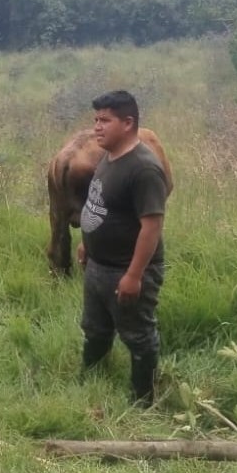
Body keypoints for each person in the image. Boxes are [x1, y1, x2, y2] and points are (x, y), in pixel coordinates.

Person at [76, 89, 169, 407]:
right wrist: (86, 243)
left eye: (105, 120)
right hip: (98, 266)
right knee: (95, 328)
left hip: (126, 270)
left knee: (139, 336)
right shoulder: (109, 156)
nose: (96, 127)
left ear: (128, 123)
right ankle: (91, 380)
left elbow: (151, 226)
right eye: (95, 120)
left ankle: (143, 399)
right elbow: (100, 204)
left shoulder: (143, 169)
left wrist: (133, 275)